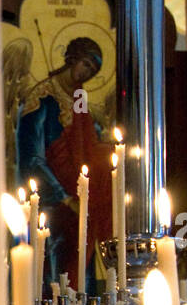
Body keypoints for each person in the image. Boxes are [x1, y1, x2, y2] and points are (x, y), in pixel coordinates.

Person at [13, 36, 114, 291]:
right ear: (72, 58)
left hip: (78, 198)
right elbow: (32, 158)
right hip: (51, 201)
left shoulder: (79, 96)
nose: (87, 73)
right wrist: (64, 197)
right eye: (86, 64)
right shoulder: (41, 98)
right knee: (57, 272)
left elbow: (88, 141)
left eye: (93, 70)